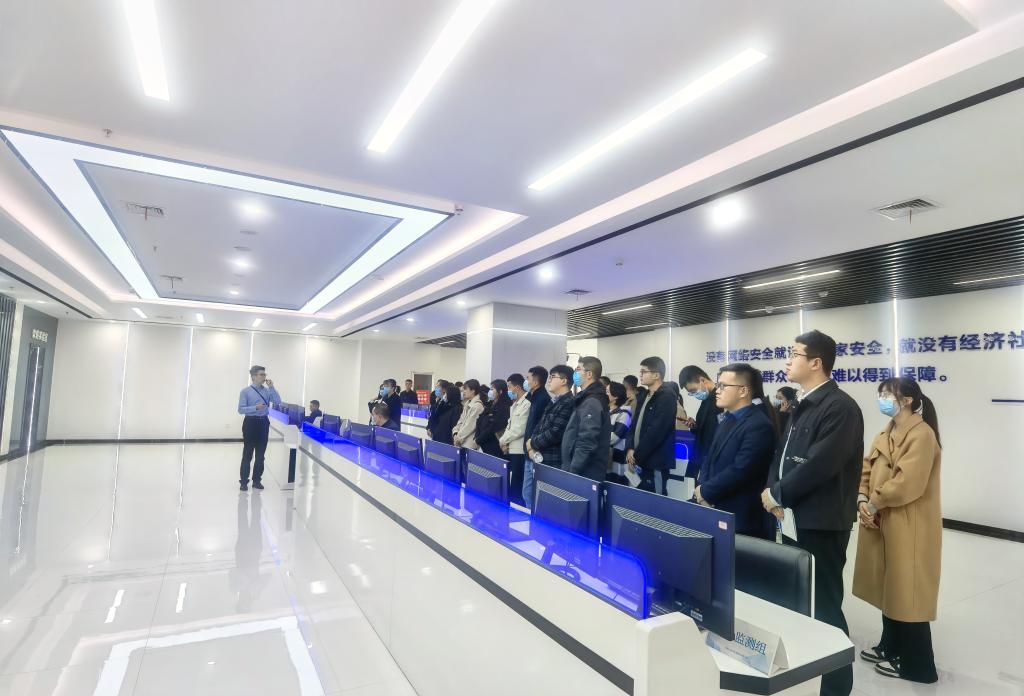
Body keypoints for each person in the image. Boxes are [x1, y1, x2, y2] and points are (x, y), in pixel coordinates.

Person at [762, 330, 864, 696]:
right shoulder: (804, 403)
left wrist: (778, 493)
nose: (788, 361)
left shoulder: (840, 407)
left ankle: (835, 686)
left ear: (816, 362)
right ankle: (810, 677)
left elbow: (821, 465)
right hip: (795, 517)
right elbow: (783, 456)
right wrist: (773, 491)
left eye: (794, 354)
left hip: (822, 522)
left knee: (825, 606)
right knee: (802, 601)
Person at [853, 378, 942, 684]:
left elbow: (908, 483)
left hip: (909, 524)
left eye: (887, 395)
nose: (882, 399)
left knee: (909, 592)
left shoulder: (922, 434)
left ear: (906, 400)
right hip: (882, 517)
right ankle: (891, 646)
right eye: (880, 394)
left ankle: (919, 666)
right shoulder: (886, 432)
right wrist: (862, 498)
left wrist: (873, 504)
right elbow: (866, 468)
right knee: (889, 586)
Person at [693, 364, 775, 538]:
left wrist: (707, 492)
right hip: (715, 506)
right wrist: (702, 489)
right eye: (718, 385)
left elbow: (741, 469)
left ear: (743, 391)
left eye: (723, 386)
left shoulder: (758, 425)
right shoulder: (727, 419)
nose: (717, 390)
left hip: (741, 518)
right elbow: (709, 457)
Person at [625, 357, 676, 495]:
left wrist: (637, 455)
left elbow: (656, 432)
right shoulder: (644, 395)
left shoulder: (666, 396)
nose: (640, 375)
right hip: (638, 459)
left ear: (656, 375)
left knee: (655, 502)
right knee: (639, 500)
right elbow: (633, 425)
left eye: (644, 372)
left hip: (654, 461)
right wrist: (630, 448)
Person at [562, 357, 611, 482]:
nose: (575, 373)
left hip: (586, 471)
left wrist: (573, 470)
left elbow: (587, 440)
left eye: (578, 369)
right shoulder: (585, 398)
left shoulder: (592, 401)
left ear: (589, 374)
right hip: (581, 469)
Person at [525, 365, 574, 490]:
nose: (549, 381)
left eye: (553, 377)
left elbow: (555, 433)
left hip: (551, 459)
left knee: (544, 497)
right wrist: (531, 444)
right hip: (538, 455)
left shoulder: (568, 402)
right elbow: (539, 425)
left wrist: (532, 444)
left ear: (564, 381)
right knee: (529, 494)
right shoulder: (554, 401)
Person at [237, 365, 281, 491]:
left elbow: (277, 402)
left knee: (261, 455)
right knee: (248, 453)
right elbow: (240, 409)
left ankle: (257, 480)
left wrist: (272, 387)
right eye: (262, 374)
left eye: (264, 374)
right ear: (254, 377)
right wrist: (255, 407)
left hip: (263, 423)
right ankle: (244, 482)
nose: (264, 377)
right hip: (250, 423)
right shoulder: (245, 391)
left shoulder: (267, 391)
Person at [679, 365, 722, 481]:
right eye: (691, 393)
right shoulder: (706, 399)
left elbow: (718, 432)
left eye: (693, 391)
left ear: (702, 380)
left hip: (711, 459)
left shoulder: (720, 400)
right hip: (701, 455)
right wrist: (694, 425)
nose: (694, 395)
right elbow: (704, 428)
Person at [500, 373, 531, 506]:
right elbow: (510, 425)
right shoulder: (515, 404)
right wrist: (504, 441)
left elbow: (519, 429)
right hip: (510, 448)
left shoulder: (527, 403)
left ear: (517, 387)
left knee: (517, 485)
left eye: (509, 387)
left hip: (519, 450)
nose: (508, 390)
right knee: (512, 483)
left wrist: (503, 440)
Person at [521, 365, 551, 506]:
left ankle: (531, 518)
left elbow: (538, 426)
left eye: (528, 378)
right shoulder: (535, 397)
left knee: (529, 493)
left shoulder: (542, 399)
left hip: (534, 451)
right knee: (527, 492)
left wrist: (531, 446)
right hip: (529, 449)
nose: (526, 381)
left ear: (535, 381)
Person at [476, 379, 511, 457]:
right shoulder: (490, 404)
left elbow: (494, 427)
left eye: (492, 389)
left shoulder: (505, 406)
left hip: (494, 445)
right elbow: (479, 419)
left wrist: (480, 439)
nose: (490, 391)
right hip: (483, 443)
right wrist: (477, 437)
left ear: (500, 391)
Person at [607, 382, 632, 483]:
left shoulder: (624, 414)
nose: (604, 394)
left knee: (616, 483)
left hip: (617, 458)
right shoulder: (607, 412)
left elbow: (614, 438)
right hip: (607, 457)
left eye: (607, 392)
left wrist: (597, 438)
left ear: (615, 396)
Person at [453, 379, 485, 450]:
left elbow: (469, 426)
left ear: (473, 390)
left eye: (465, 389)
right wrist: (455, 433)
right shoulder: (467, 403)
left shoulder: (477, 406)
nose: (463, 391)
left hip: (469, 444)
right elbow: (460, 421)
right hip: (460, 441)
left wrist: (458, 438)